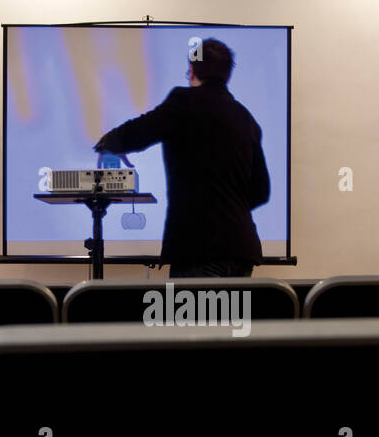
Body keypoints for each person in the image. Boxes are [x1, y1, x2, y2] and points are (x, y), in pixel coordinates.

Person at [93, 39, 270, 278]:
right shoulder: (246, 119)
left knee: (193, 317)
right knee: (229, 317)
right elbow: (261, 191)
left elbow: (139, 131)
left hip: (198, 250)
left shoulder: (183, 102)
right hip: (241, 250)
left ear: (193, 70)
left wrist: (107, 144)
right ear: (227, 74)